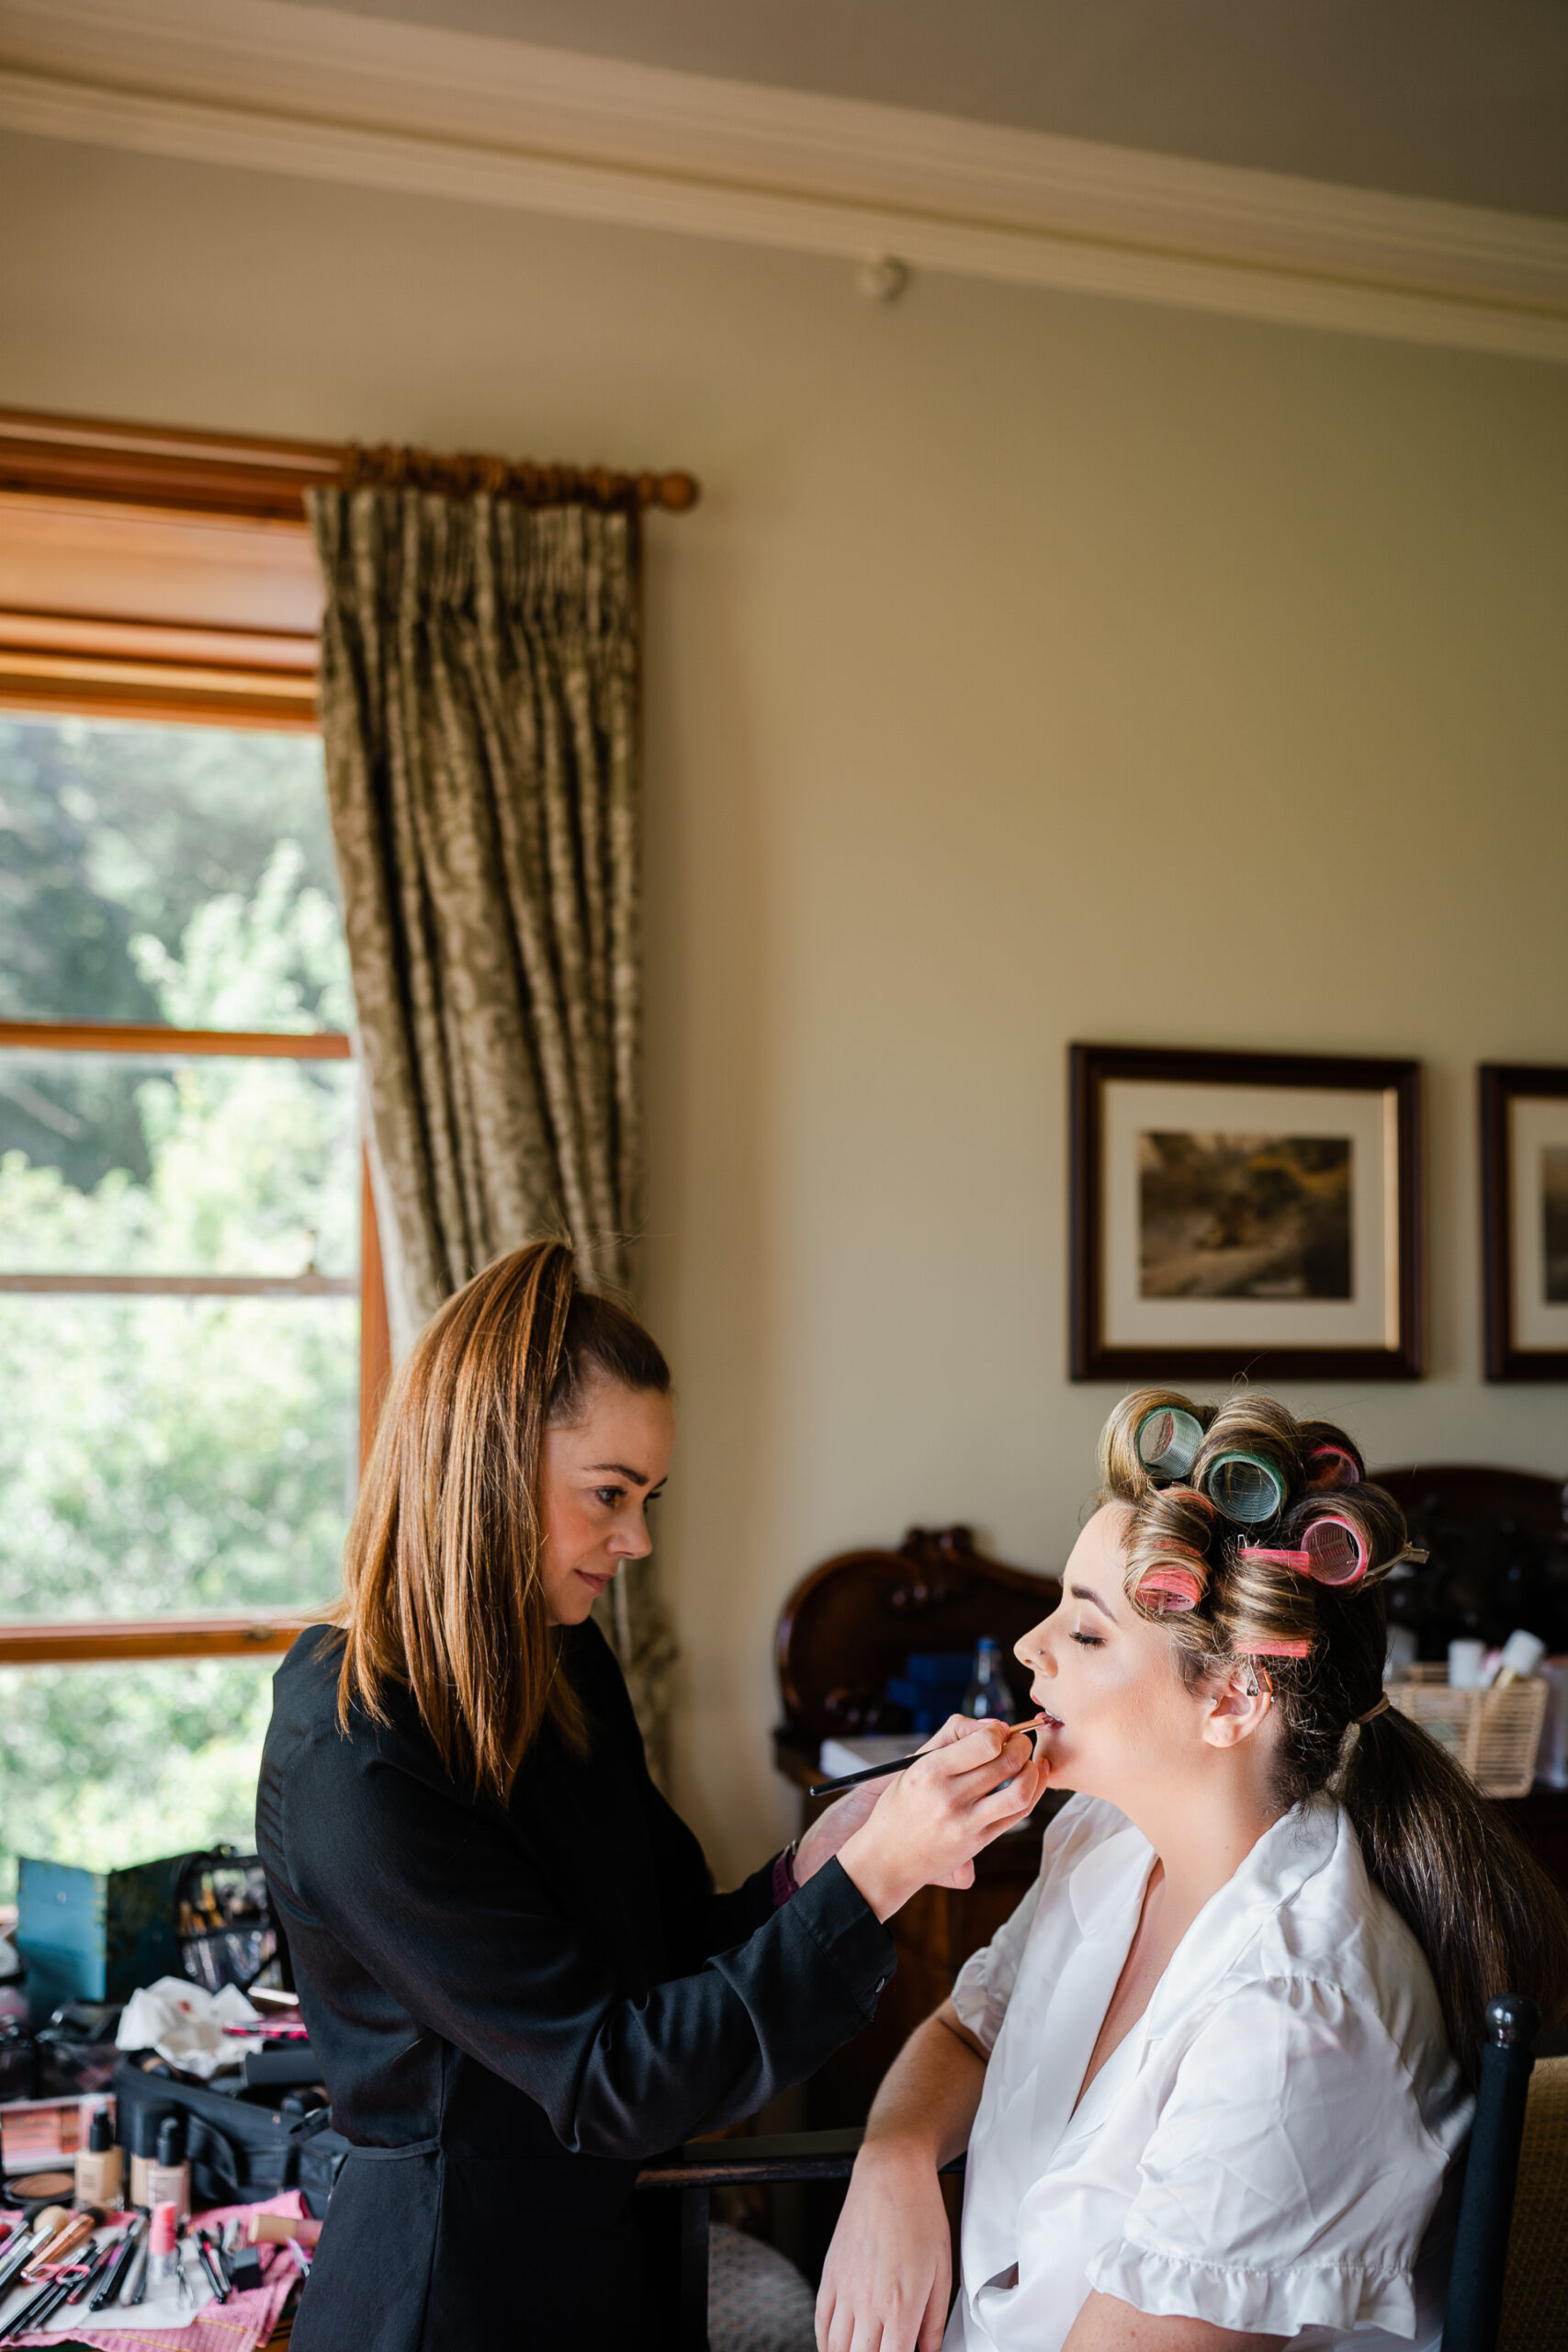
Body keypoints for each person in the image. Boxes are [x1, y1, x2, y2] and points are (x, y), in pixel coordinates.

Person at [255, 1242, 1047, 2351]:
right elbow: (613, 2075)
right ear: (487, 1467)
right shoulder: (355, 1751)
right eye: (609, 1495)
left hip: (609, 2264)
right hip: (450, 2300)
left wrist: (816, 1868)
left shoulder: (566, 1665)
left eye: (648, 1496)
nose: (636, 1539)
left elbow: (673, 1952)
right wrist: (876, 1879)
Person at [818, 1388, 1568, 2352]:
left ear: (1232, 1699)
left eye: (1085, 1633)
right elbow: (969, 2032)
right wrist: (894, 2155)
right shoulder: (1104, 1837)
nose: (1027, 1647)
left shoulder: (1295, 2017)